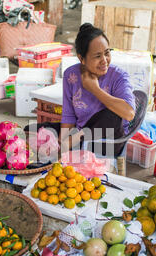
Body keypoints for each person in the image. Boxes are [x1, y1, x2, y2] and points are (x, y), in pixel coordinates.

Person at [25, 23, 136, 158]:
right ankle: (73, 142)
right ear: (81, 58)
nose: (104, 61)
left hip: (108, 139)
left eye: (107, 53)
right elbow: (69, 115)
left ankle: (75, 141)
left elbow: (129, 114)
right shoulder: (71, 75)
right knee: (31, 130)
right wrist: (61, 143)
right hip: (79, 131)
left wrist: (94, 89)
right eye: (97, 56)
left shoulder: (118, 76)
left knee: (112, 114)